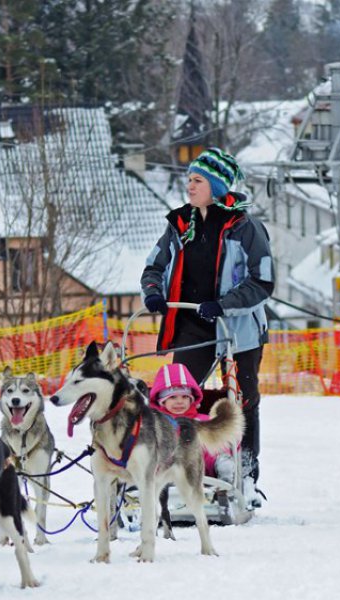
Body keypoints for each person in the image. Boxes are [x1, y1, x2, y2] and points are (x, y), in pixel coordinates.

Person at [140, 148, 273, 508]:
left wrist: (225, 303)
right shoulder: (180, 225)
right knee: (175, 397)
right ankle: (171, 468)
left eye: (197, 180)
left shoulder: (245, 228)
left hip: (238, 328)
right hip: (190, 324)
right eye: (189, 179)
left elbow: (263, 281)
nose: (189, 186)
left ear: (216, 186)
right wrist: (154, 294)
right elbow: (153, 268)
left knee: (244, 400)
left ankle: (245, 471)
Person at [148, 363, 236, 482]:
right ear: (162, 402)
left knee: (211, 438)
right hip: (160, 474)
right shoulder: (153, 422)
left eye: (184, 397)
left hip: (200, 473)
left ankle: (222, 464)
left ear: (191, 399)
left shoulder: (203, 420)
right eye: (173, 397)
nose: (179, 402)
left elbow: (229, 437)